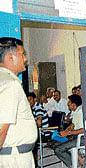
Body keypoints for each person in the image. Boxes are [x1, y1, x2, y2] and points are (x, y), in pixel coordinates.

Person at [0, 37, 37, 167]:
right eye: (22, 54)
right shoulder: (10, 84)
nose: (25, 59)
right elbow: (1, 129)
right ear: (10, 58)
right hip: (15, 158)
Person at [54, 94, 84, 167]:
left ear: (73, 105)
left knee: (58, 149)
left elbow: (83, 130)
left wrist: (68, 133)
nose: (67, 104)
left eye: (69, 103)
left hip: (81, 137)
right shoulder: (75, 111)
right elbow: (73, 124)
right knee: (54, 144)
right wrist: (66, 131)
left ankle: (74, 165)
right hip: (75, 135)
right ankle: (78, 158)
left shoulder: (81, 112)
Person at [27, 92, 49, 167]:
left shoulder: (38, 108)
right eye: (27, 100)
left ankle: (35, 162)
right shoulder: (32, 108)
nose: (28, 102)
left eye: (30, 99)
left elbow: (39, 122)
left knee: (29, 139)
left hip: (43, 133)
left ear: (35, 99)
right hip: (38, 131)